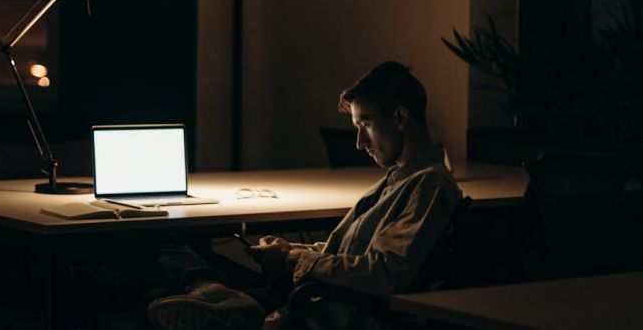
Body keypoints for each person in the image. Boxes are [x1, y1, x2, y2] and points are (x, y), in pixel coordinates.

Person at [146, 61, 463, 329]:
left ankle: (222, 297)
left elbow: (384, 273)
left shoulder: (428, 185)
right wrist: (292, 250)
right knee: (169, 242)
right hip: (311, 288)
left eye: (365, 125)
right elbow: (351, 253)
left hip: (317, 302)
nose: (359, 142)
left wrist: (299, 259)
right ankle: (212, 290)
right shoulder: (398, 179)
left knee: (159, 286)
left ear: (400, 118)